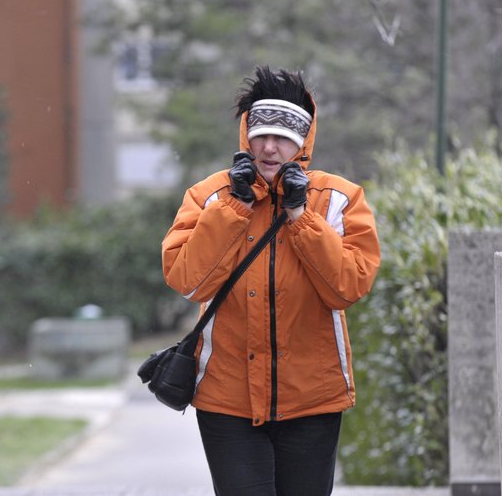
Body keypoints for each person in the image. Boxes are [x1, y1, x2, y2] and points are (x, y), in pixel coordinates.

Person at [162, 66, 381, 496]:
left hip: (313, 398)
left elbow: (348, 287)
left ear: (302, 142)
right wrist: (234, 208)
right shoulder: (210, 196)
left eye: (283, 136)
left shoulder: (339, 199)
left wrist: (301, 216)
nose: (269, 146)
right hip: (226, 400)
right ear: (247, 135)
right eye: (261, 133)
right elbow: (188, 281)